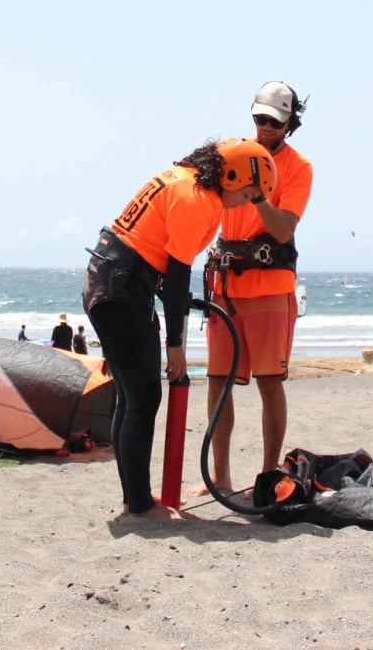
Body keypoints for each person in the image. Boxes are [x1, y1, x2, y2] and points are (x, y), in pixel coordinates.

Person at [82, 137, 273, 517]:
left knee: (131, 397)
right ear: (232, 176)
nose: (245, 203)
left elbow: (167, 272)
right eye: (249, 194)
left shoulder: (182, 178)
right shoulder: (197, 199)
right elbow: (177, 277)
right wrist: (176, 345)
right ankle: (139, 504)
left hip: (108, 283)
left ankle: (134, 498)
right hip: (122, 291)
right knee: (144, 398)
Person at [201, 81, 314, 495]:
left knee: (270, 382)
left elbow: (283, 231)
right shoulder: (235, 153)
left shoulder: (299, 167)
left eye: (274, 122)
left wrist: (258, 196)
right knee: (217, 381)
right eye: (259, 119)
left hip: (269, 285)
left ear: (289, 123)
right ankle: (222, 477)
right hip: (226, 284)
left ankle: (268, 476)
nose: (264, 127)